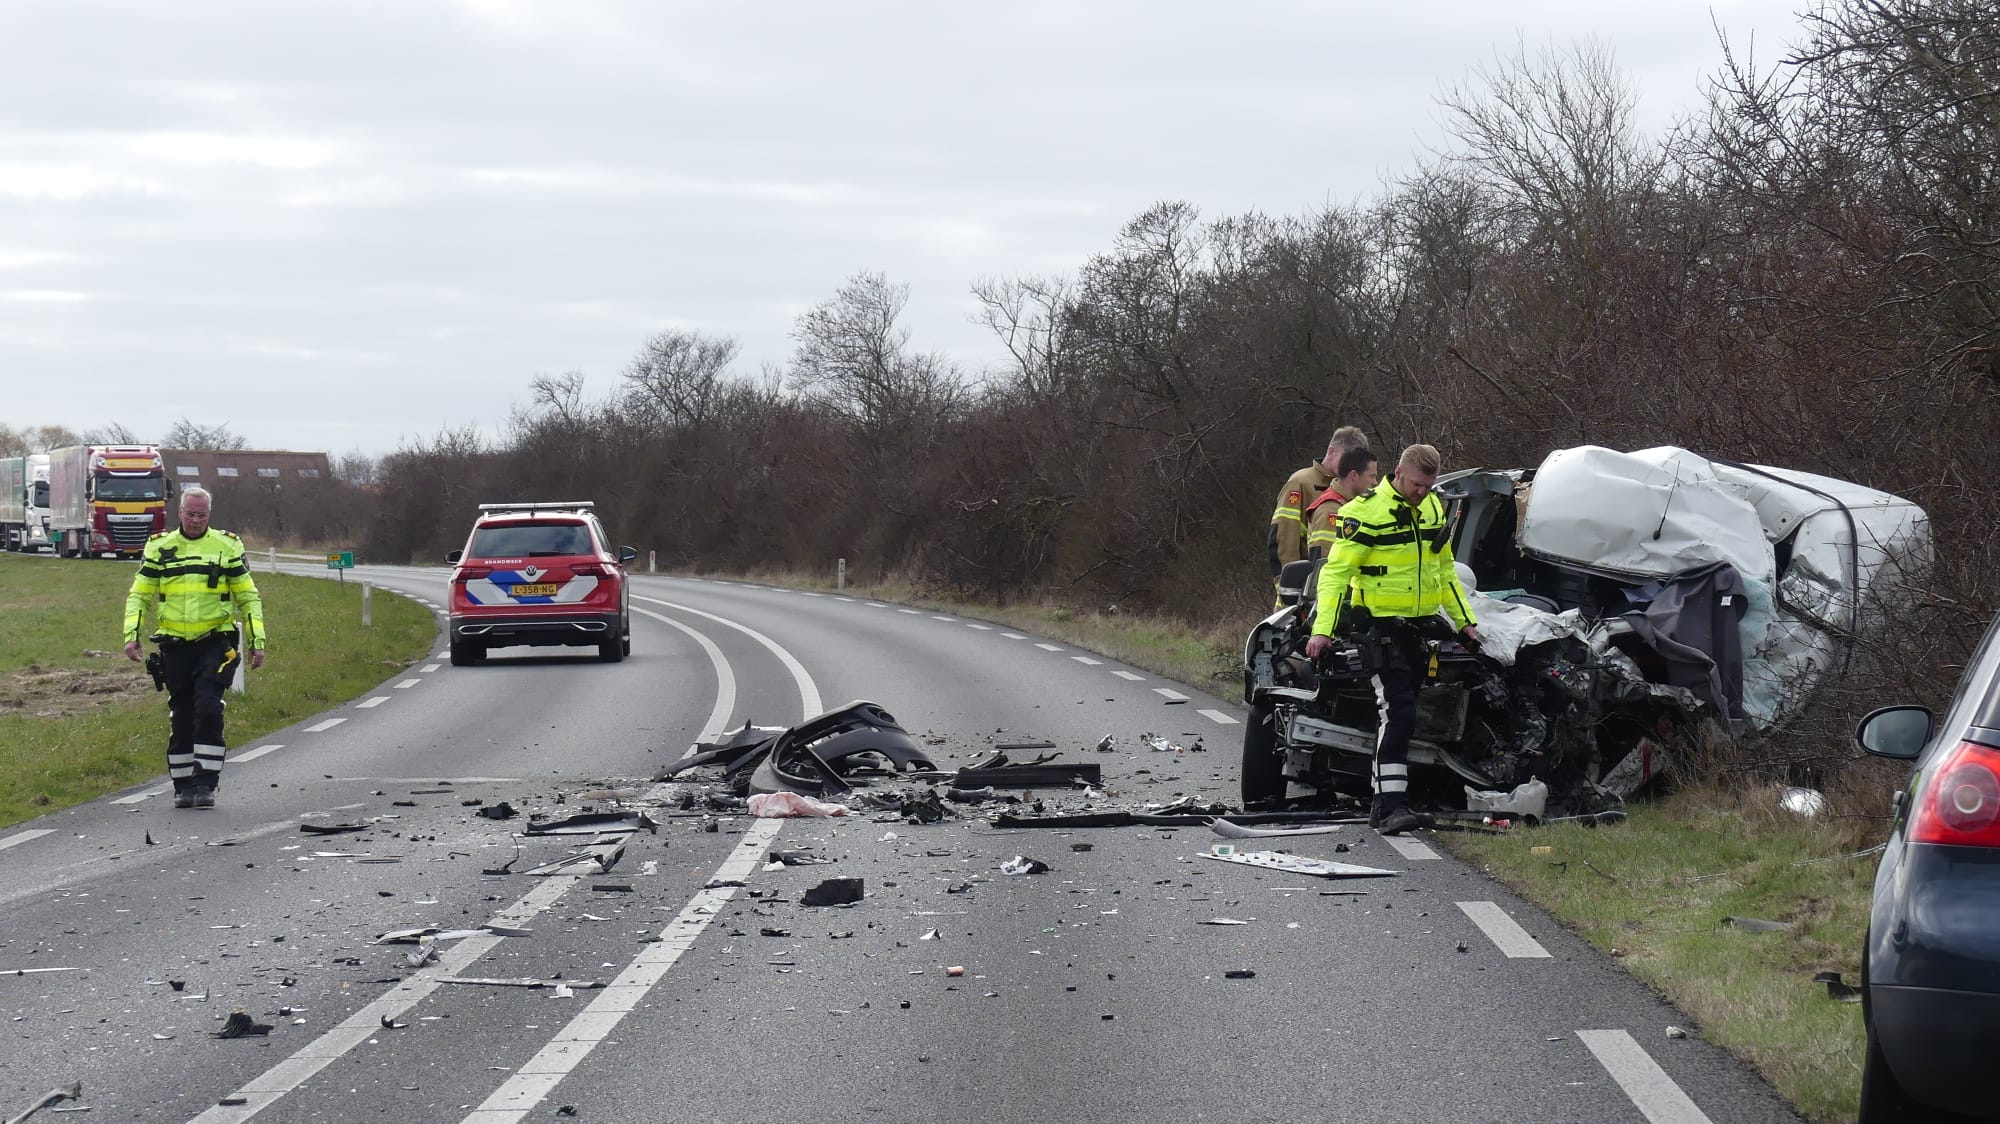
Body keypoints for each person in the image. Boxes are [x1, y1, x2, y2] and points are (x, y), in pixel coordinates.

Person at [1304, 444, 1480, 835]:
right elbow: (1334, 576)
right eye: (1417, 484)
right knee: (1397, 713)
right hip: (1379, 628)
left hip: (1418, 630)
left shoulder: (1433, 508)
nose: (1422, 492)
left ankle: (1385, 804)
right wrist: (1322, 631)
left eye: (1428, 485)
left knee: (1404, 715)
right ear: (1398, 472)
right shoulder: (1363, 513)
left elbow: (1444, 571)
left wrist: (1465, 622)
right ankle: (1390, 807)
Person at [122, 486, 266, 809]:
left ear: (209, 515)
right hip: (174, 646)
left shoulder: (227, 546)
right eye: (191, 514)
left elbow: (248, 597)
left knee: (209, 707)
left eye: (202, 515)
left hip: (216, 643)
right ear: (180, 513)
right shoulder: (159, 547)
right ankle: (183, 786)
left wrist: (258, 642)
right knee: (183, 713)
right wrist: (131, 635)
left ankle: (206, 783)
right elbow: (139, 595)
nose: (196, 520)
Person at [1268, 425, 1367, 604]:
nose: (1351, 466)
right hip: (1304, 592)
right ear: (1331, 452)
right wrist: (1291, 593)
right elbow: (1284, 539)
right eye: (1347, 458)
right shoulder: (1301, 483)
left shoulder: (1354, 487)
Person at [1303, 446, 1380, 561]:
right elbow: (1323, 562)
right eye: (1371, 476)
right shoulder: (1331, 510)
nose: (1375, 482)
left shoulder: (1351, 504)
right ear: (1354, 475)